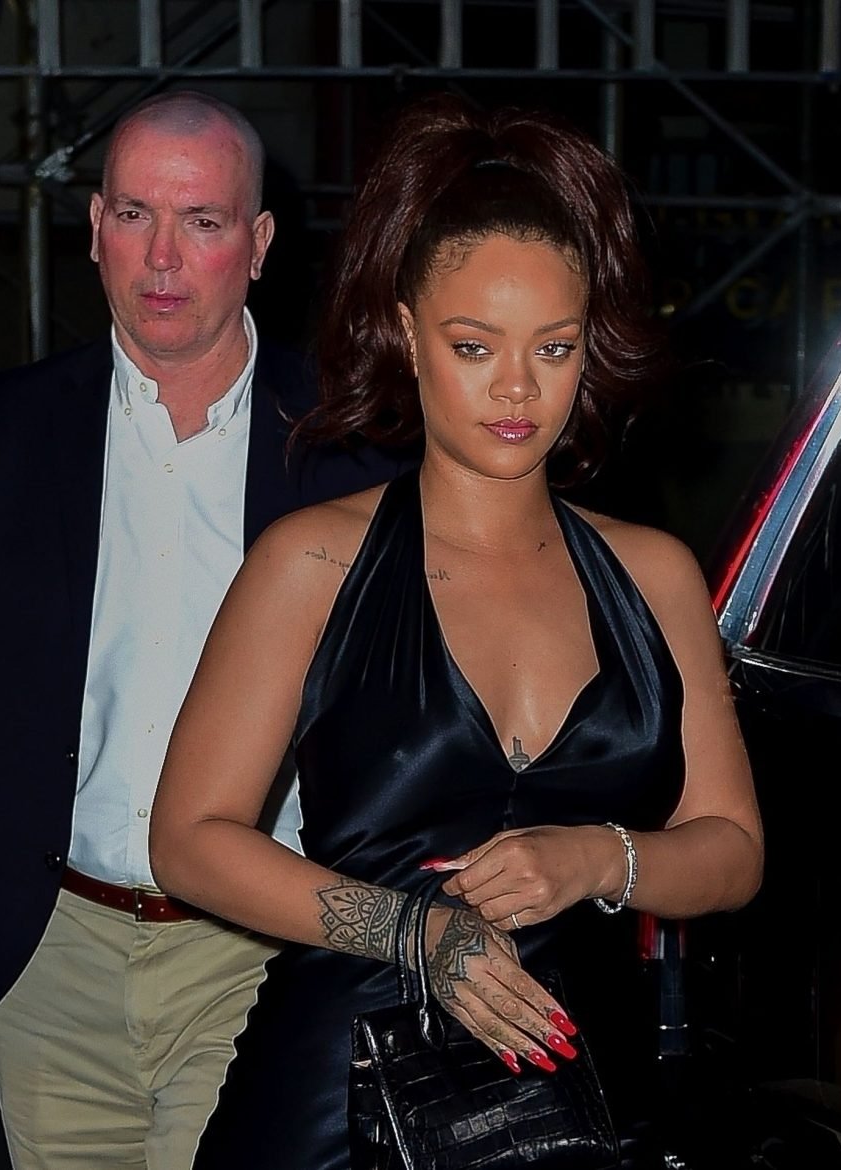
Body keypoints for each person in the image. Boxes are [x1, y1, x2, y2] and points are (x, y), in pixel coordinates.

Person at [150, 92, 763, 1170]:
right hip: (336, 1101)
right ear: (407, 332)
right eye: (475, 345)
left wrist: (597, 856)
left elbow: (733, 850)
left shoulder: (654, 573)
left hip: (580, 1096)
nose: (517, 388)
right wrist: (415, 931)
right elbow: (190, 839)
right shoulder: (312, 561)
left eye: (554, 348)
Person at [0, 90, 399, 1169]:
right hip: (47, 954)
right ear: (94, 229)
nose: (161, 257)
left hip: (259, 956)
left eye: (202, 221)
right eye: (135, 214)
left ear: (257, 245)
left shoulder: (354, 455)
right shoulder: (4, 435)